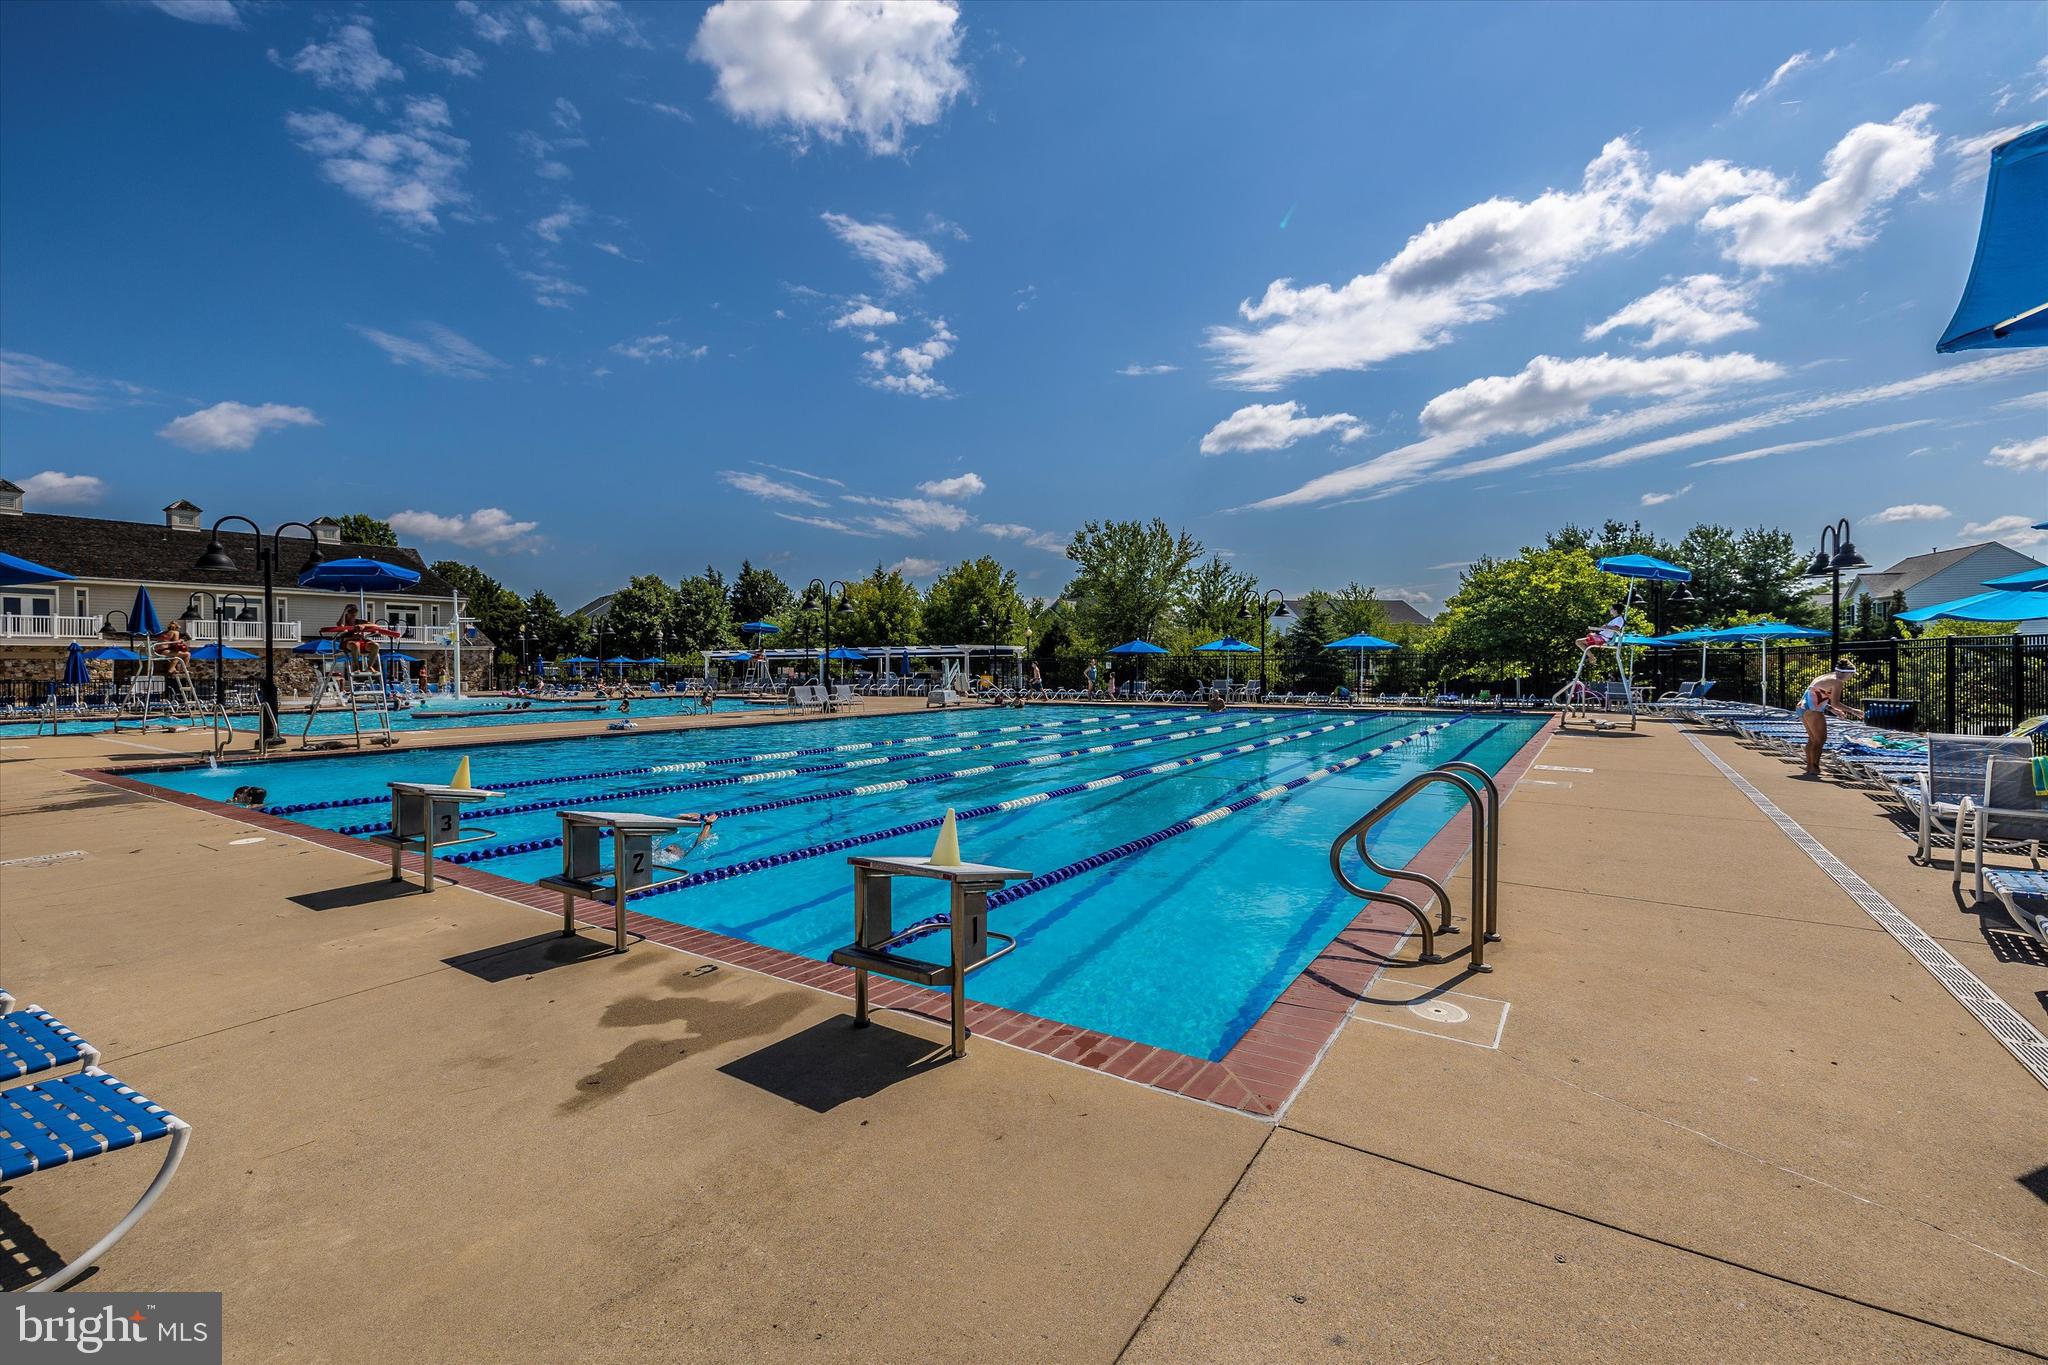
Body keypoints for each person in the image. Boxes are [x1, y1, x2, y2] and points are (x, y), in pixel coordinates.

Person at [1796, 659, 1864, 778]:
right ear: (1846, 673)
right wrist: (1854, 711)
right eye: (1852, 674)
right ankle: (1815, 769)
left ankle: (1810, 767)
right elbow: (1836, 703)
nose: (1852, 677)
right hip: (1813, 710)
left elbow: (1815, 694)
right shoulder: (1838, 682)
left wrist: (1831, 709)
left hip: (1803, 707)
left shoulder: (1826, 676)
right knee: (1820, 740)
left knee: (1813, 739)